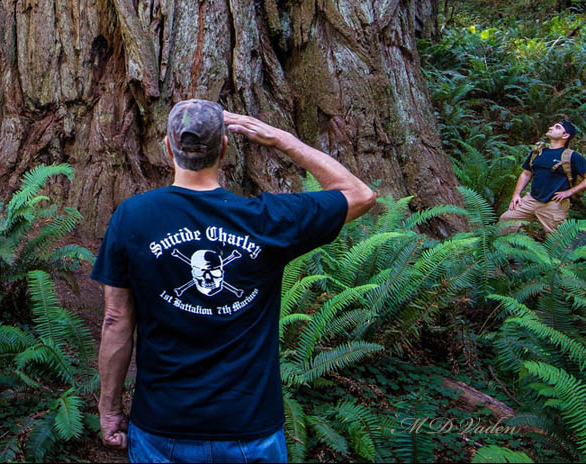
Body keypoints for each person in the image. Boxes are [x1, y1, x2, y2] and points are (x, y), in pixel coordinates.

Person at [91, 99, 376, 463]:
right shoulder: (267, 220)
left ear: (167, 146)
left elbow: (115, 320)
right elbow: (360, 195)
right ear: (225, 147)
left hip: (162, 427)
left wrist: (110, 409)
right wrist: (282, 139)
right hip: (250, 430)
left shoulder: (132, 217)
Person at [499, 121, 586, 234]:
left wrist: (568, 192)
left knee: (557, 240)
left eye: (557, 127)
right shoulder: (537, 153)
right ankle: (504, 251)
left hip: (554, 204)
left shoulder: (572, 156)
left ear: (565, 135)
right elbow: (526, 173)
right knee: (506, 220)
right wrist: (516, 194)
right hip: (531, 200)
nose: (551, 127)